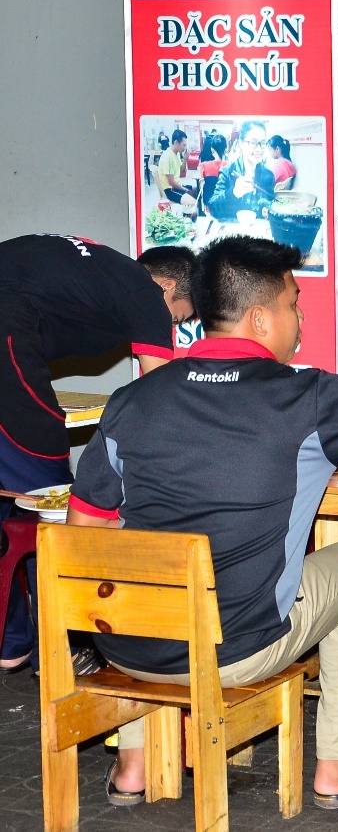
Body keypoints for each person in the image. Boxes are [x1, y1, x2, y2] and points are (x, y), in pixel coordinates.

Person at [67, 236, 338, 809]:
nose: (301, 319)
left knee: (131, 556)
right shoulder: (307, 398)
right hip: (232, 653)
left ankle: (135, 763)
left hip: (125, 645)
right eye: (294, 304)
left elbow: (83, 532)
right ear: (260, 318)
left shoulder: (130, 400)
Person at [0, 236, 195, 677]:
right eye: (176, 317)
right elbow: (160, 394)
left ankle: (11, 641)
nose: (168, 325)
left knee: (8, 499)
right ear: (167, 287)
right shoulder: (143, 288)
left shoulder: (96, 268)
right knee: (49, 498)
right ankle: (62, 646)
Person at [209, 120, 276, 222]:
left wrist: (269, 212)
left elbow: (270, 204)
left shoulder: (268, 175)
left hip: (258, 230)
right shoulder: (228, 172)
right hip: (232, 229)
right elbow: (213, 209)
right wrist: (233, 193)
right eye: (253, 143)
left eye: (262, 143)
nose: (259, 149)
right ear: (241, 143)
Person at [156, 128, 195, 208]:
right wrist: (186, 190)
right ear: (176, 142)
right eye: (184, 145)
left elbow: (181, 171)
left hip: (176, 186)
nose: (185, 147)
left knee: (196, 190)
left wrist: (185, 158)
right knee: (193, 204)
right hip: (170, 190)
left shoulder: (176, 153)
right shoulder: (168, 156)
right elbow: (171, 182)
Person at [198, 132, 227, 209]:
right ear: (226, 150)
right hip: (225, 206)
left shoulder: (203, 166)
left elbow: (201, 188)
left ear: (212, 150)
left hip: (209, 206)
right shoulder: (230, 166)